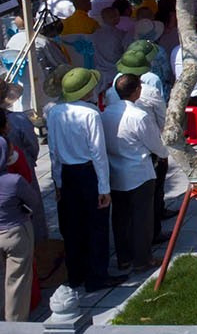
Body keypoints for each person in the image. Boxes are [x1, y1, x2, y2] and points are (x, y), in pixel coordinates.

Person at [47, 67, 125, 292]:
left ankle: (76, 274)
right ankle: (97, 276)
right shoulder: (90, 114)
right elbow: (98, 153)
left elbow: (53, 151)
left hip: (67, 174)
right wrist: (104, 188)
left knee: (73, 226)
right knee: (96, 227)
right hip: (88, 173)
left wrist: (58, 182)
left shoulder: (54, 112)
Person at [102, 74, 165, 274]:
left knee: (120, 217)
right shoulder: (139, 116)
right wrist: (164, 154)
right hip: (139, 172)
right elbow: (154, 143)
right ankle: (142, 259)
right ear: (137, 90)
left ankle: (124, 258)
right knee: (141, 218)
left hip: (115, 171)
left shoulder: (105, 114)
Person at [0, 114, 39, 321]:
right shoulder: (13, 181)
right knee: (17, 281)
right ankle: (15, 324)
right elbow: (33, 201)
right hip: (15, 231)